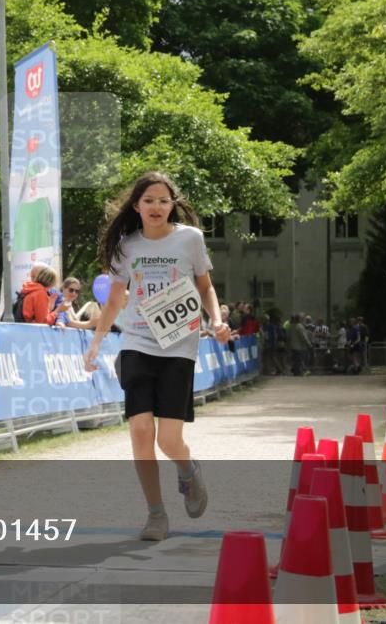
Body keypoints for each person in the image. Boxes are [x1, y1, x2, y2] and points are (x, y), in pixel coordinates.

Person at [82, 171, 230, 542]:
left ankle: (187, 468)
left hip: (179, 346)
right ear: (137, 206)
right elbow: (116, 298)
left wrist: (216, 319)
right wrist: (98, 340)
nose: (157, 206)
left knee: (169, 440)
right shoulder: (127, 245)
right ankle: (156, 513)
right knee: (140, 430)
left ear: (173, 204)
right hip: (138, 343)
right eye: (149, 200)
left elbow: (205, 286)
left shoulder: (190, 239)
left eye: (164, 200)